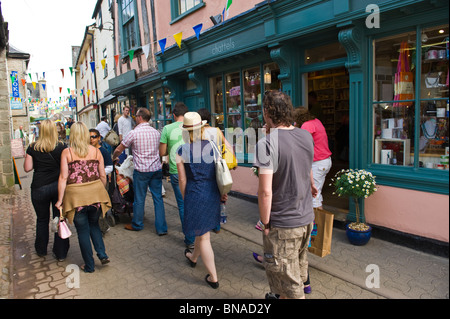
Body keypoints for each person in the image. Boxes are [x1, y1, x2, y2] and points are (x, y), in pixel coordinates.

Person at [253, 91, 318, 299]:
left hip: (284, 224)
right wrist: (312, 184)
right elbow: (306, 166)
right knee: (297, 266)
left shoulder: (266, 145)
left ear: (267, 112)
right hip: (306, 217)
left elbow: (265, 191)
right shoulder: (305, 135)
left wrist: (265, 223)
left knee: (290, 282)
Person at [176, 112, 228, 289]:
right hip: (212, 191)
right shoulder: (212, 145)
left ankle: (213, 277)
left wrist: (186, 196)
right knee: (202, 230)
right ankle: (194, 257)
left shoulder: (181, 151)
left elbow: (182, 180)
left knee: (204, 236)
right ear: (201, 128)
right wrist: (222, 191)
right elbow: (218, 170)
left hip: (195, 192)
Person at [55, 122, 111, 273]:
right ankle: (102, 253)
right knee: (94, 225)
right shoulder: (96, 151)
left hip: (76, 197)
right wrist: (102, 190)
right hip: (95, 194)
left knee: (83, 231)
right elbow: (102, 175)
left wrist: (60, 200)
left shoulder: (67, 153)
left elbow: (63, 178)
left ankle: (89, 265)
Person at [113, 107, 167, 234]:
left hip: (141, 170)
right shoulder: (156, 132)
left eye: (136, 116)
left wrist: (114, 156)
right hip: (155, 169)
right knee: (158, 199)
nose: (134, 117)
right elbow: (160, 151)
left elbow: (120, 148)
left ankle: (137, 224)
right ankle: (162, 228)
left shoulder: (134, 133)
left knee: (139, 198)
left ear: (140, 117)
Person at [23, 119, 69, 261]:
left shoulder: (33, 147)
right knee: (59, 218)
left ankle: (41, 249)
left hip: (39, 188)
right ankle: (60, 253)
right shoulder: (61, 147)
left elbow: (27, 168)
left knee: (42, 219)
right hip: (58, 188)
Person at [159, 102, 195, 248]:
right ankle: (199, 233)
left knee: (182, 204)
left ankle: (190, 239)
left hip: (175, 170)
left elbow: (162, 153)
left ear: (173, 115)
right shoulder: (193, 127)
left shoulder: (167, 128)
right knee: (193, 202)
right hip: (193, 169)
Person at [294, 107, 332, 210]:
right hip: (325, 161)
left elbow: (300, 142)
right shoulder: (316, 121)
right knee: (316, 192)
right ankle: (318, 222)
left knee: (313, 194)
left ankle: (316, 223)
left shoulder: (307, 125)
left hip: (318, 162)